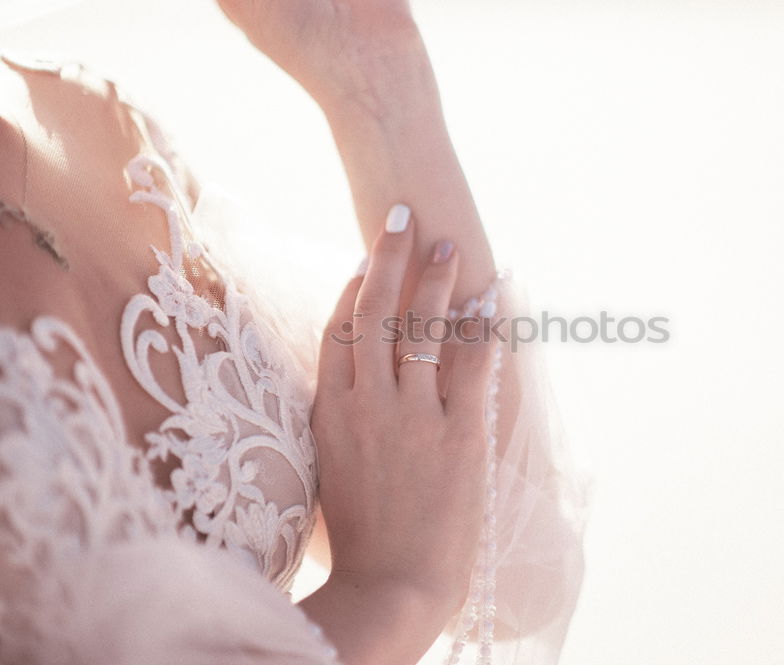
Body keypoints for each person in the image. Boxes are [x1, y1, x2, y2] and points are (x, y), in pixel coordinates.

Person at [0, 1, 591, 664]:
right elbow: (432, 569)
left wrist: (375, 83)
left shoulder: (96, 124)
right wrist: (388, 591)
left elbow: (510, 566)